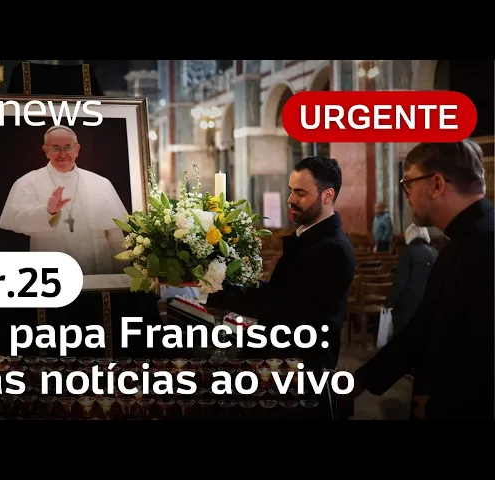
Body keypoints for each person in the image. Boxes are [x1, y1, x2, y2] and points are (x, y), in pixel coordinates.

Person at [347, 140, 494, 420]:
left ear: (436, 184)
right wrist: (360, 381)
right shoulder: (463, 240)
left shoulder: (487, 244)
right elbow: (422, 329)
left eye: (409, 184)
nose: (407, 196)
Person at [206, 156, 356, 370]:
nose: (290, 199)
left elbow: (284, 307)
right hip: (283, 358)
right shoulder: (311, 237)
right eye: (291, 190)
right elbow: (284, 291)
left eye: (300, 193)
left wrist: (226, 293)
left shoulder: (332, 249)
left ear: (327, 195)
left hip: (299, 368)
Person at [0, 125, 128, 275]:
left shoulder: (100, 183)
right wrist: (48, 212)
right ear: (46, 151)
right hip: (52, 274)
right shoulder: (28, 182)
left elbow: (115, 236)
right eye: (56, 148)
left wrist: (120, 277)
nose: (63, 154)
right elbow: (19, 220)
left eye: (68, 147)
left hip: (99, 272)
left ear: (77, 149)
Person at [384, 224, 437, 335]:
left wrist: (390, 300)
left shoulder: (407, 252)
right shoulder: (434, 252)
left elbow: (401, 281)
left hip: (409, 307)